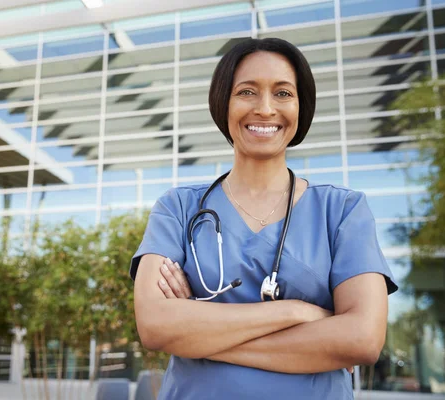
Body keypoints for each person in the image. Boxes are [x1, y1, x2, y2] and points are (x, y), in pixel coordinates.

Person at [130, 38, 398, 399]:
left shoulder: (342, 210)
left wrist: (198, 336)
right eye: (247, 92)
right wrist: (298, 312)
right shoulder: (178, 208)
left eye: (284, 93)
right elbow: (155, 327)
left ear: (302, 106)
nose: (266, 109)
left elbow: (362, 339)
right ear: (223, 103)